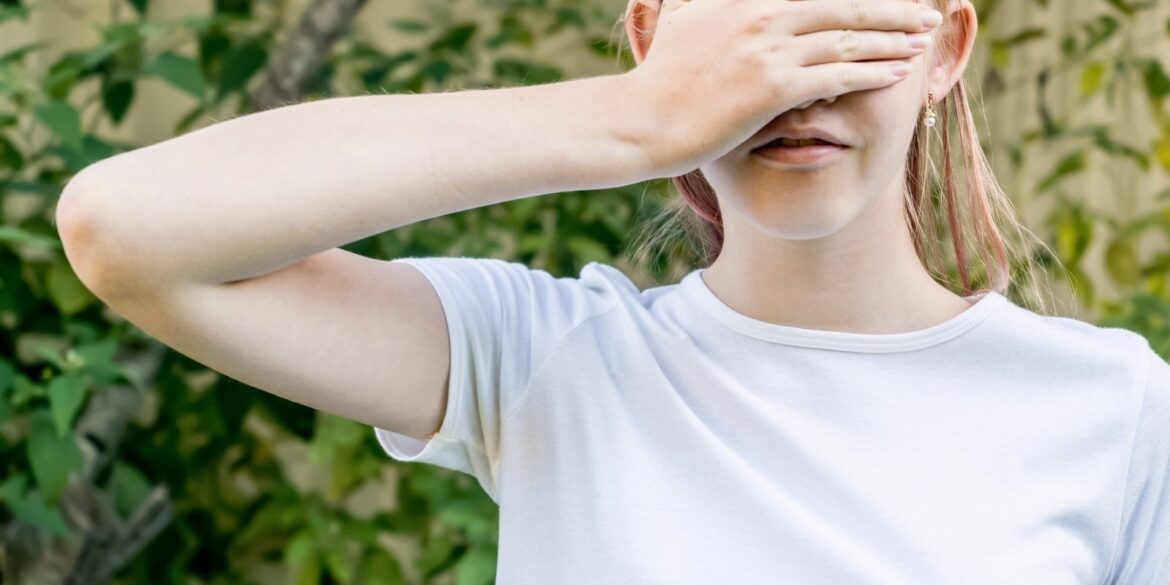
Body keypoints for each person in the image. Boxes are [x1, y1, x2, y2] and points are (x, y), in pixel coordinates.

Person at [56, 0, 1168, 582]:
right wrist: (633, 120)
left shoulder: (1119, 414)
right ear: (654, 41)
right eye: (741, 27)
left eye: (840, 22)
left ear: (943, 50)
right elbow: (129, 231)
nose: (792, 76)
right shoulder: (544, 359)